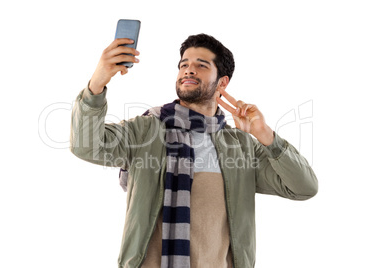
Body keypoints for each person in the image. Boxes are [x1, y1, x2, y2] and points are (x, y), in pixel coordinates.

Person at [70, 34, 318, 268]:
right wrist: (96, 84)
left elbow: (303, 187)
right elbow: (86, 145)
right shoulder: (146, 130)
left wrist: (265, 136)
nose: (188, 69)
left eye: (201, 65)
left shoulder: (241, 146)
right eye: (183, 64)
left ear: (223, 82)